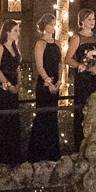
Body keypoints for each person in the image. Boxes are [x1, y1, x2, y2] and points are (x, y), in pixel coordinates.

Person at [0, 24, 26, 166]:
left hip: (13, 86)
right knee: (1, 120)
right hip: (3, 88)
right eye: (15, 30)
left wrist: (18, 84)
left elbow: (18, 68)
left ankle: (12, 155)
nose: (18, 33)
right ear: (7, 32)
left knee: (12, 120)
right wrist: (7, 84)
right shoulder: (0, 47)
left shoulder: (15, 48)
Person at [29, 23, 65, 160]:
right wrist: (48, 82)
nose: (53, 26)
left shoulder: (57, 43)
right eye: (50, 24)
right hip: (44, 84)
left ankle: (53, 152)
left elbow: (60, 63)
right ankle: (39, 153)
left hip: (55, 82)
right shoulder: (40, 43)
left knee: (52, 115)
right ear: (45, 26)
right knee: (43, 115)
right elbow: (39, 65)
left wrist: (59, 80)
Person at [68, 9, 96, 123]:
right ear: (82, 21)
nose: (92, 21)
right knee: (84, 106)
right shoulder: (77, 37)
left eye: (93, 19)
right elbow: (68, 59)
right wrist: (83, 66)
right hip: (83, 78)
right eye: (89, 19)